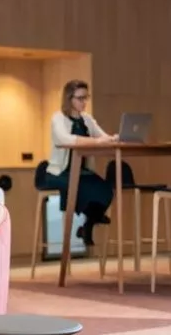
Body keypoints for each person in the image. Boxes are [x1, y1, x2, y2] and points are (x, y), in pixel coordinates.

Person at [45, 80, 117, 245]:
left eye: (86, 97)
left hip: (81, 171)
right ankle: (93, 217)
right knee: (83, 187)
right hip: (59, 172)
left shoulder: (87, 119)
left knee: (105, 189)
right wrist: (95, 142)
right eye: (80, 98)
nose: (84, 102)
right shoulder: (58, 118)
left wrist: (113, 138)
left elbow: (102, 137)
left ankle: (89, 223)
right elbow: (64, 139)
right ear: (69, 98)